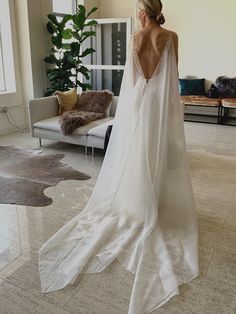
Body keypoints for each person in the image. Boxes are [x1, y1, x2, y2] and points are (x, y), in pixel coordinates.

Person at [38, 1, 199, 313]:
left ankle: (141, 202)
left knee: (139, 153)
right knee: (158, 153)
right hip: (161, 106)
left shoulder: (135, 39)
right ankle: (156, 201)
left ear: (142, 11)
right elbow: (172, 77)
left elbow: (135, 81)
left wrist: (130, 114)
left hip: (141, 105)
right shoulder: (171, 37)